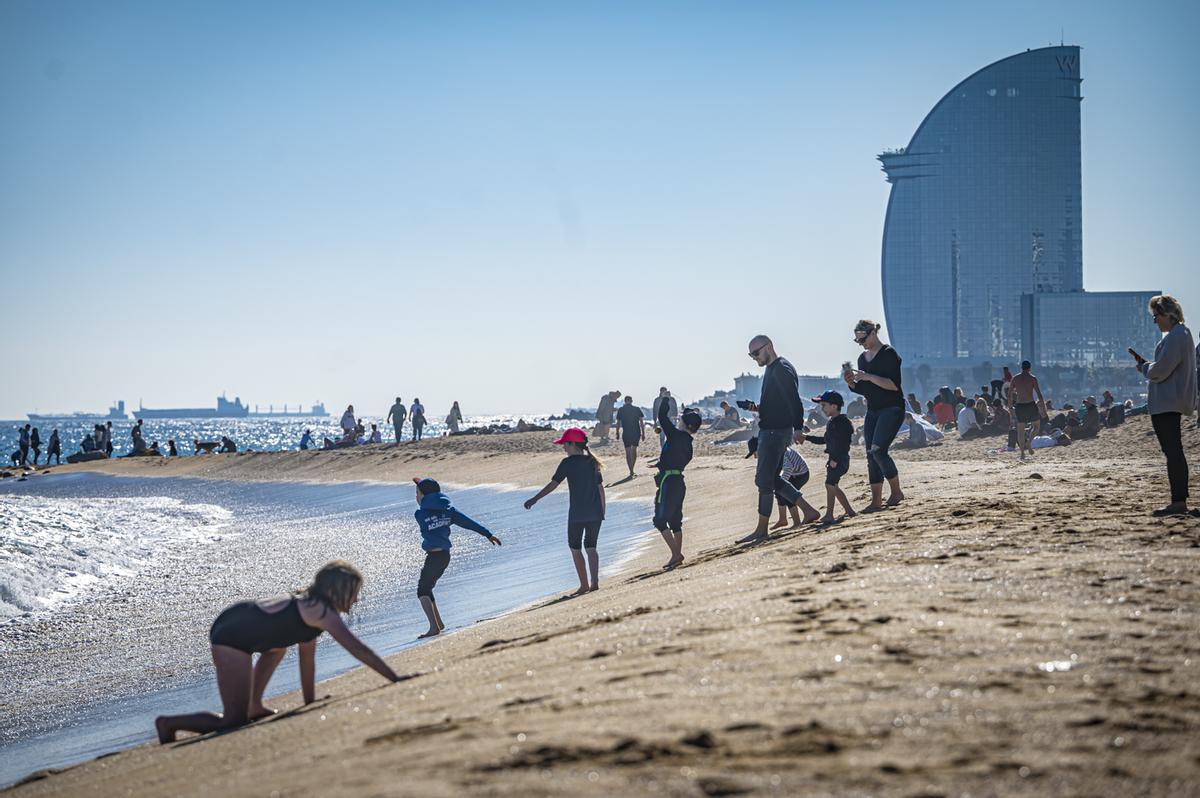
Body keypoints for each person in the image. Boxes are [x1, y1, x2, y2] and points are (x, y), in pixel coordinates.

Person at [154, 561, 401, 743]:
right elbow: (357, 648)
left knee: (276, 650)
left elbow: (308, 659)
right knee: (232, 721)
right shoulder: (321, 612)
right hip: (231, 636)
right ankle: (169, 723)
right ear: (338, 590)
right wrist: (395, 678)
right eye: (354, 593)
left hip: (240, 621)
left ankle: (254, 705)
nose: (356, 600)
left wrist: (310, 702)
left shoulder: (310, 608)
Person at [1130, 294, 1197, 516]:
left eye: (1156, 316)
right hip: (1170, 401)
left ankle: (1178, 502)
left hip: (1168, 403)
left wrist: (1145, 368)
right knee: (1173, 451)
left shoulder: (1178, 335)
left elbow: (1162, 370)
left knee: (1173, 452)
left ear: (1168, 314)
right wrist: (1149, 366)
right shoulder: (1179, 335)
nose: (1155, 321)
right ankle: (1179, 500)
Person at [737, 335, 807, 543]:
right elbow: (776, 403)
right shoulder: (772, 369)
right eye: (751, 355)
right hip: (773, 430)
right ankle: (809, 511)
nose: (754, 358)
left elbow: (794, 400)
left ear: (769, 347)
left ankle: (761, 529)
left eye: (756, 353)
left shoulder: (781, 368)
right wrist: (755, 407)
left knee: (763, 480)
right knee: (772, 479)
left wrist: (798, 428)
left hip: (776, 432)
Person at [411, 477, 501, 638]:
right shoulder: (449, 510)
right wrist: (488, 534)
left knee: (422, 590)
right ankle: (438, 624)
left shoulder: (419, 514)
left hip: (434, 556)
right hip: (444, 556)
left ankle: (433, 628)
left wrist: (424, 496)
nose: (416, 498)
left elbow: (426, 514)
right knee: (428, 587)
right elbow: (468, 522)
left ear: (424, 496)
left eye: (417, 494)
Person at [524, 428, 605, 596]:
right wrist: (602, 510)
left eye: (565, 444)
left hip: (577, 514)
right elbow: (600, 489)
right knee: (591, 547)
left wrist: (535, 498)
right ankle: (594, 582)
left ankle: (584, 585)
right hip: (595, 512)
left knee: (575, 548)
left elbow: (553, 484)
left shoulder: (567, 463)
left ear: (573, 444)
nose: (563, 447)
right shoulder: (592, 461)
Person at [843, 319, 905, 512]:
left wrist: (868, 376)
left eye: (863, 339)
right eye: (858, 340)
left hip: (892, 408)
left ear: (873, 333)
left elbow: (893, 385)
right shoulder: (862, 359)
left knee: (879, 450)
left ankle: (896, 492)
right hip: (873, 410)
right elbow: (865, 389)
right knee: (870, 454)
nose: (861, 343)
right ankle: (876, 501)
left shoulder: (889, 354)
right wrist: (852, 383)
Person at [651, 402, 701, 569]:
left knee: (659, 520)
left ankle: (676, 553)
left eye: (680, 420)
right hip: (678, 482)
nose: (678, 421)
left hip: (669, 484)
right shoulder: (687, 442)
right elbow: (676, 458)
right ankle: (675, 555)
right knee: (675, 522)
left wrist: (664, 400)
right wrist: (660, 464)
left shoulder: (676, 435)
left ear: (685, 424)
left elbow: (662, 417)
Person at [802, 391, 856, 524]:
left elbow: (842, 444)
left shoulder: (842, 422)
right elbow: (824, 440)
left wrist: (835, 459)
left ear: (834, 406)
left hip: (839, 460)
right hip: (835, 459)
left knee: (830, 484)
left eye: (824, 405)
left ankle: (829, 515)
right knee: (833, 486)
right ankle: (849, 511)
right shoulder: (832, 422)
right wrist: (806, 437)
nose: (822, 408)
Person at [772, 443, 821, 528]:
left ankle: (798, 521)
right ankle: (782, 519)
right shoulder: (774, 449)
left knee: (787, 494)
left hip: (801, 474)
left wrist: (782, 482)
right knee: (779, 492)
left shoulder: (777, 451)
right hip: (795, 473)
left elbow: (788, 467)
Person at [1007, 360, 1046, 460]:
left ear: (1021, 367)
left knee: (1020, 430)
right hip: (1030, 405)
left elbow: (1010, 394)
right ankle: (1029, 442)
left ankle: (1022, 454)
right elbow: (1039, 394)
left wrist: (1010, 407)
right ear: (1029, 368)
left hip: (1020, 405)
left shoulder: (1015, 378)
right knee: (1036, 426)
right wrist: (1043, 407)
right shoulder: (1032, 378)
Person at [615, 395, 647, 478]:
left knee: (628, 452)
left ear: (625, 401)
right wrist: (643, 433)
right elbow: (641, 423)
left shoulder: (621, 410)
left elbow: (618, 423)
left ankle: (631, 470)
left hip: (626, 433)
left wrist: (617, 433)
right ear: (631, 401)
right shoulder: (636, 409)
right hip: (636, 432)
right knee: (634, 450)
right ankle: (632, 469)